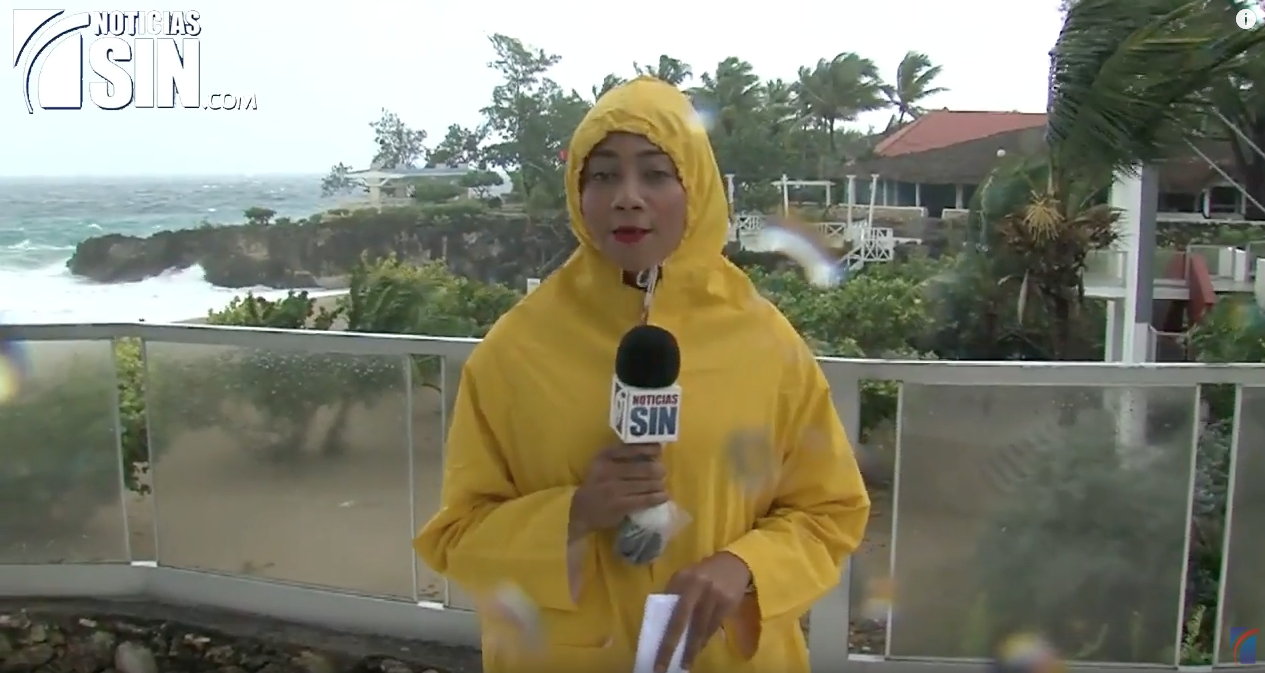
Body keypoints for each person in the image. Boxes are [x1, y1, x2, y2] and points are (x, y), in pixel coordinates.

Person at [413, 76, 870, 673]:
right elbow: (457, 537)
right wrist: (575, 514)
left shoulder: (765, 343)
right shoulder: (513, 350)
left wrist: (744, 568)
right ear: (577, 192)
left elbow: (830, 511)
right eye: (603, 174)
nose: (628, 197)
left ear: (697, 188)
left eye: (655, 173)